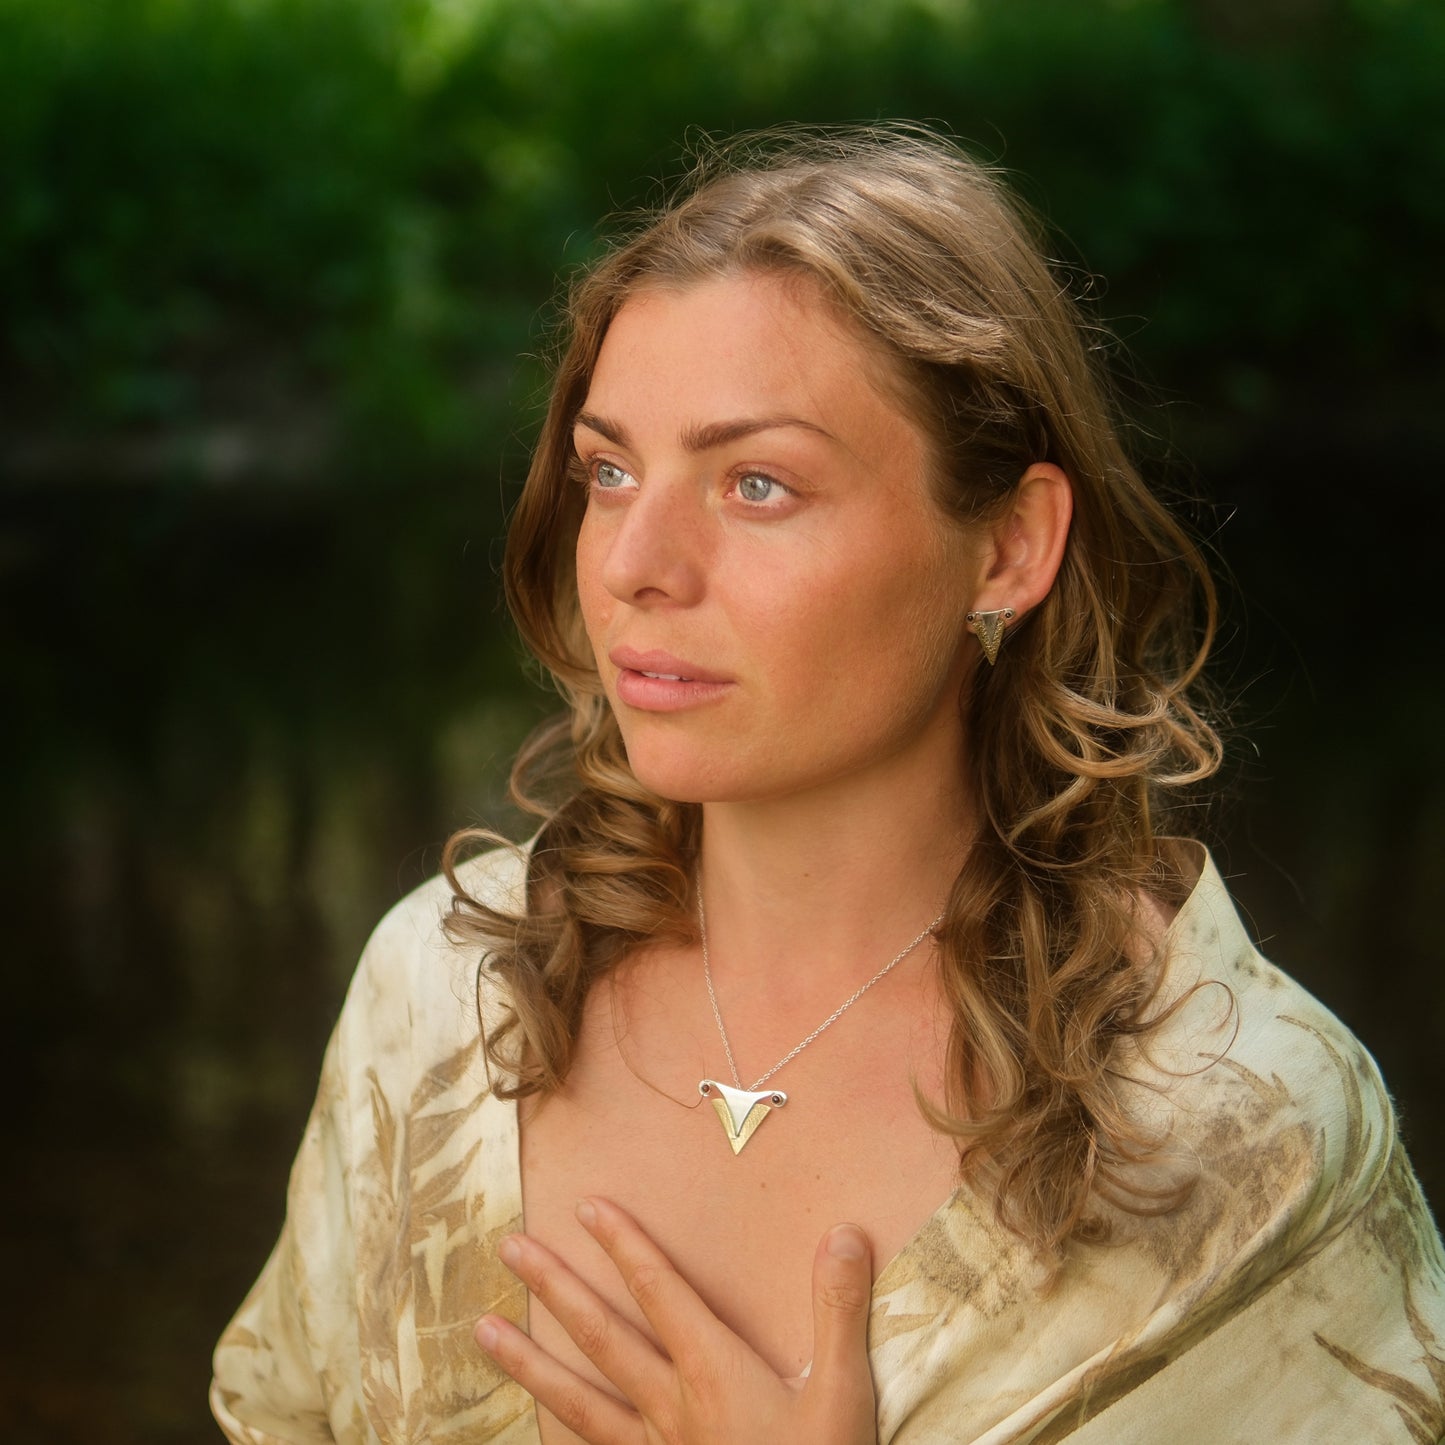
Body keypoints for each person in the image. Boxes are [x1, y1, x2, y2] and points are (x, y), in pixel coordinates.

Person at [210, 126, 1445, 1444]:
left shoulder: (1239, 1129)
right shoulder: (442, 997)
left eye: (756, 484)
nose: (636, 560)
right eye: (608, 469)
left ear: (1008, 546)